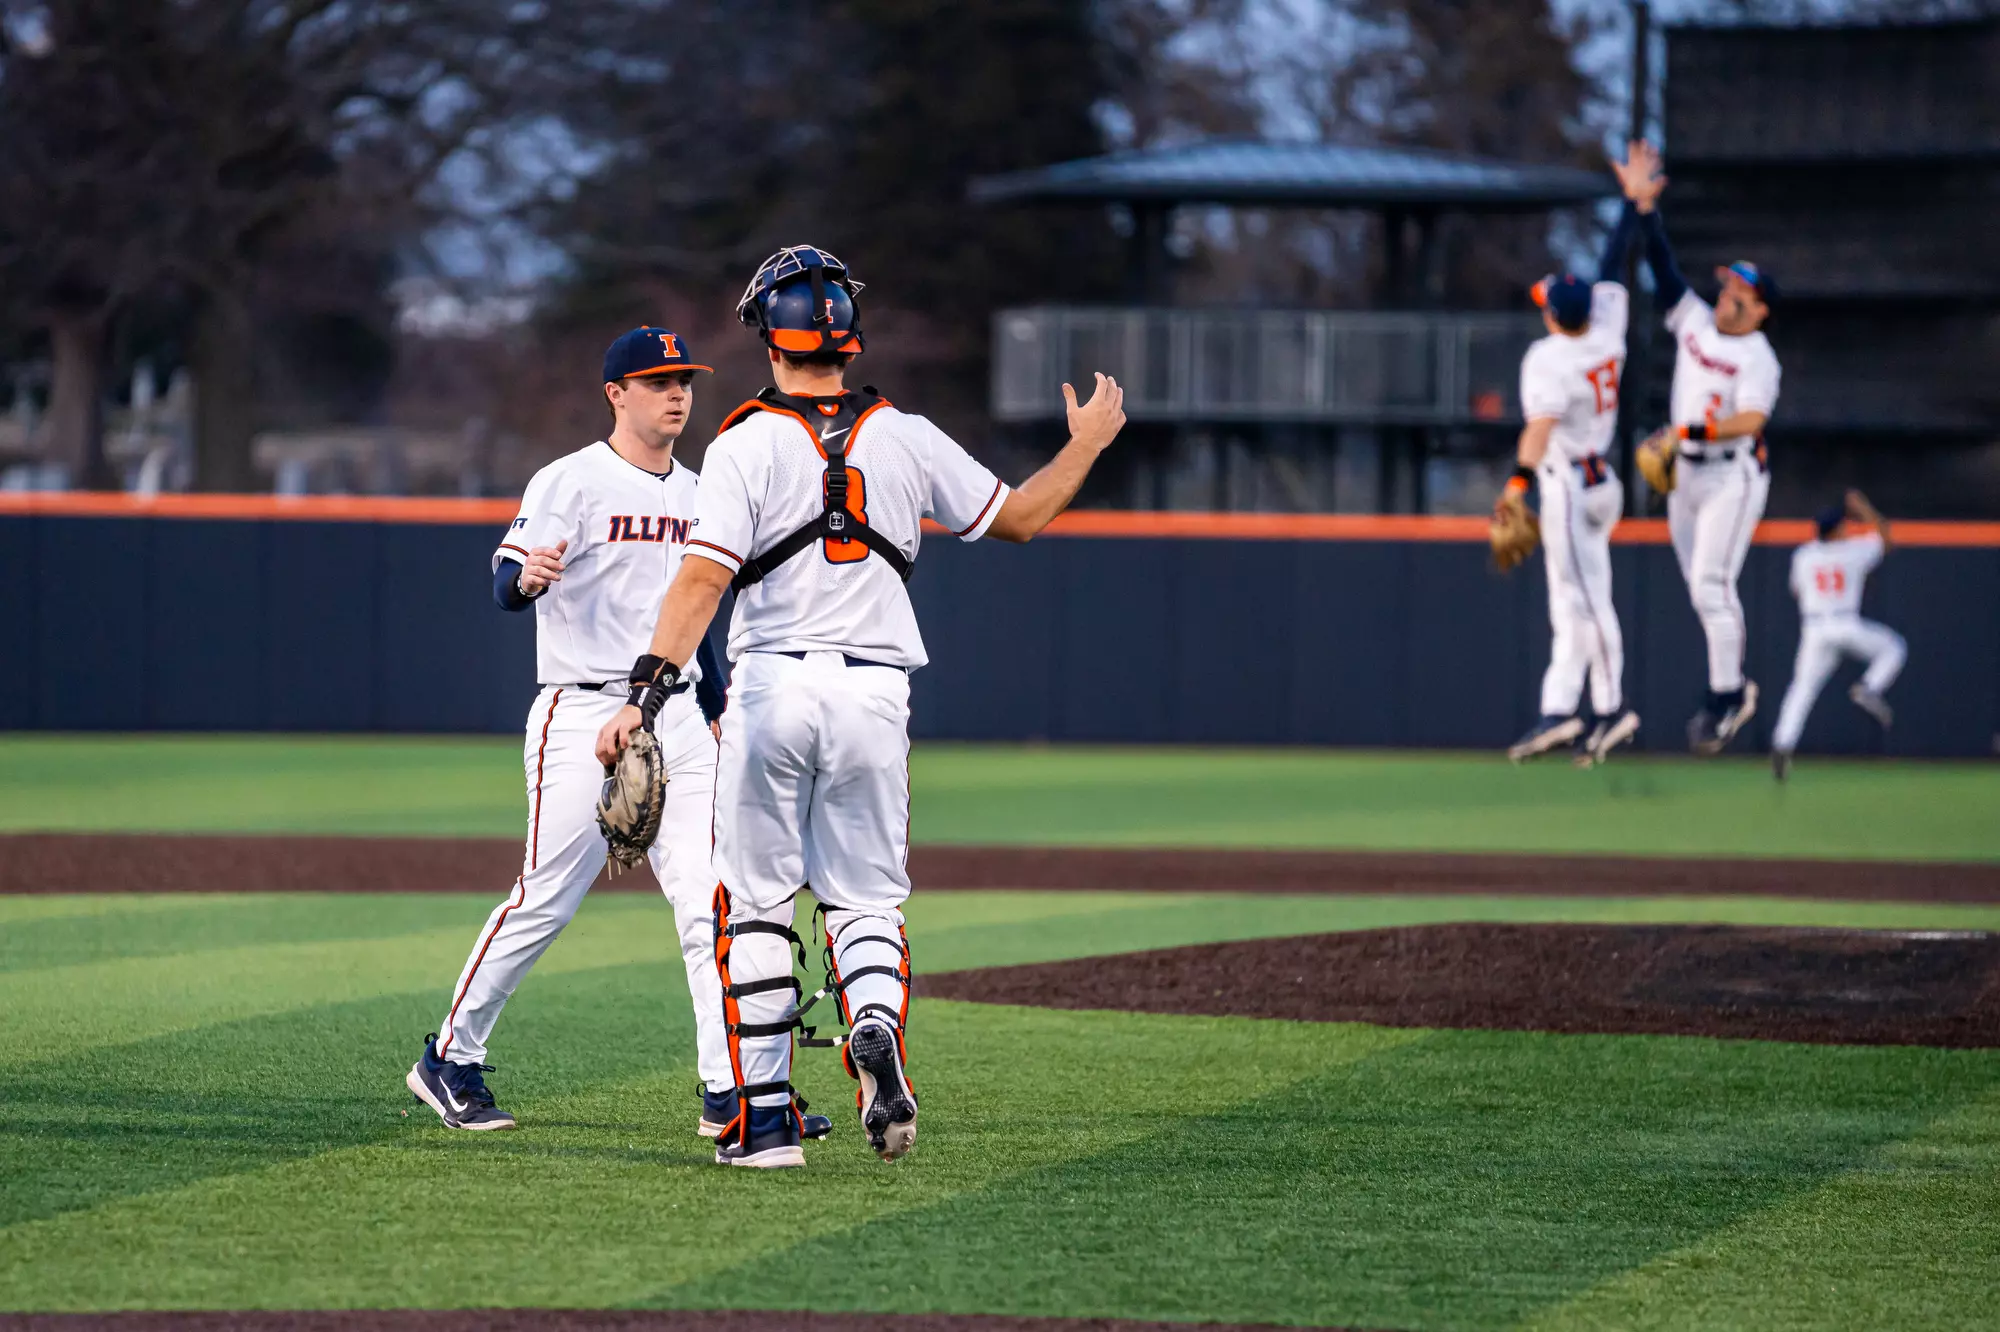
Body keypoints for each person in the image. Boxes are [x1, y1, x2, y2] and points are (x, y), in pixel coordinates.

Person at [594, 245, 1126, 1168]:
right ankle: (872, 1022)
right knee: (868, 900)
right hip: (875, 694)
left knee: (755, 904)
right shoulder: (906, 435)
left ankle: (763, 1127)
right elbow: (1025, 517)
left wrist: (643, 693)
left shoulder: (743, 442)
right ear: (848, 334)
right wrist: (1085, 444)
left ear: (769, 334)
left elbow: (700, 580)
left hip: (771, 688)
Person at [408, 327, 829, 1145]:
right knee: (546, 898)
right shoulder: (570, 479)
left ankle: (731, 1091)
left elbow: (697, 607)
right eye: (658, 380)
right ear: (617, 394)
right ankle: (450, 1058)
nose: (678, 393)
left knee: (714, 903)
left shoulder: (705, 490)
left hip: (676, 710)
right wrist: (523, 580)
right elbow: (506, 581)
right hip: (579, 709)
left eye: (685, 380)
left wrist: (708, 705)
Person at [1617, 140, 1783, 754]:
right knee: (1699, 590)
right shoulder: (1693, 320)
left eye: (1740, 291)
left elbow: (1749, 422)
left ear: (1760, 309)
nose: (1727, 294)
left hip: (1731, 476)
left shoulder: (1757, 357)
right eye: (1726, 284)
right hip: (1683, 477)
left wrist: (1690, 433)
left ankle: (1728, 695)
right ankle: (1728, 688)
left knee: (1713, 584)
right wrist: (1642, 209)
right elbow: (1660, 266)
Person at [1501, 161, 1647, 767]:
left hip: (1571, 487)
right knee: (1571, 606)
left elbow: (1538, 428)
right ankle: (1559, 710)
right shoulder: (1608, 325)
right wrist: (1633, 207)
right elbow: (1613, 265)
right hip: (1601, 478)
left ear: (1551, 315)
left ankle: (1612, 709)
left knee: (1588, 604)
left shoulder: (1550, 358)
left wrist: (1516, 484)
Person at [1770, 490, 1906, 781]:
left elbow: (1796, 591)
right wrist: (1867, 509)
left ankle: (1782, 745)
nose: (1847, 528)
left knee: (1801, 691)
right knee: (1894, 647)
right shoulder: (1855, 550)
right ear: (1836, 530)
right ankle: (1870, 686)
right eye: (1843, 525)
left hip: (1815, 628)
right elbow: (1887, 539)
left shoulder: (1804, 555)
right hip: (1846, 623)